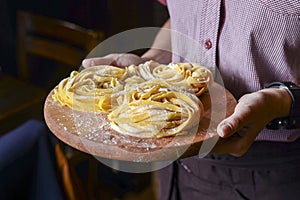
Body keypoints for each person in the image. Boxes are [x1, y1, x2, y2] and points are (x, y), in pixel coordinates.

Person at [82, 0, 300, 199]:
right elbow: (181, 17)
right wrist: (151, 62)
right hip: (177, 161)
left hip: (275, 172)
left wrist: (282, 101)